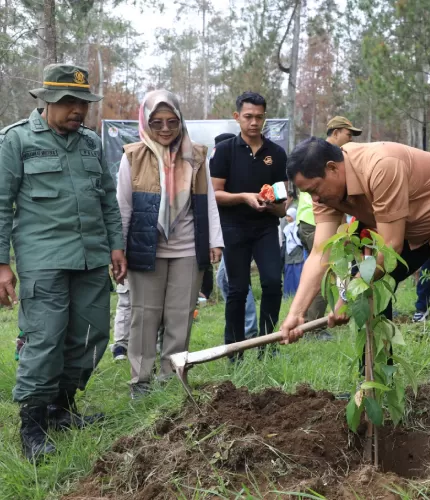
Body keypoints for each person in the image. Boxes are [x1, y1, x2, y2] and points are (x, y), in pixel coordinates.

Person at [281, 138, 430, 419]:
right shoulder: (325, 193)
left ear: (333, 168)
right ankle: (374, 383)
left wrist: (347, 296)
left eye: (314, 190)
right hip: (414, 223)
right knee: (369, 288)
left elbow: (390, 247)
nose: (314, 199)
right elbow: (319, 254)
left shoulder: (381, 165)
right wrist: (296, 314)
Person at [0, 64, 126, 460]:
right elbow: (1, 205)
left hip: (90, 258)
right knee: (45, 338)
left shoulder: (90, 143)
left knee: (91, 335)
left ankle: (62, 408)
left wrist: (116, 246)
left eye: (82, 102)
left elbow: (107, 197)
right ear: (46, 101)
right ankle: (33, 425)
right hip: (43, 259)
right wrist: (2, 264)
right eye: (69, 102)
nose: (78, 110)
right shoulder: (16, 141)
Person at [117, 89, 223, 398]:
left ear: (181, 121)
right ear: (146, 122)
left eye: (172, 122)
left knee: (180, 315)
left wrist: (214, 241)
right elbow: (123, 207)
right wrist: (119, 250)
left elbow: (209, 202)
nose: (165, 129)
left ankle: (171, 375)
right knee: (144, 315)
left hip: (188, 249)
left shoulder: (198, 155)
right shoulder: (132, 156)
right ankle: (141, 381)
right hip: (144, 248)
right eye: (157, 122)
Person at [209, 92, 287, 360]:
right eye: (248, 117)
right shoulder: (225, 151)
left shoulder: (276, 154)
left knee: (272, 283)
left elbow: (282, 200)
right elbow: (215, 194)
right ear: (237, 117)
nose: (254, 122)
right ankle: (235, 351)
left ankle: (268, 344)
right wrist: (244, 197)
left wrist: (274, 206)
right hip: (234, 228)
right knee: (238, 289)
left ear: (265, 117)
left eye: (259, 117)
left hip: (265, 227)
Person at [297, 116, 362, 322]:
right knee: (323, 267)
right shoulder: (318, 159)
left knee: (337, 267)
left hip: (321, 221)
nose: (351, 140)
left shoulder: (338, 159)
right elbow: (327, 200)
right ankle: (313, 325)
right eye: (348, 134)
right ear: (335, 133)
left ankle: (331, 313)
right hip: (314, 221)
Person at [282, 207, 305, 296]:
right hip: (289, 253)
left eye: (289, 216)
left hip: (297, 251)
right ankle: (289, 293)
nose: (287, 218)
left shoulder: (297, 227)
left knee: (298, 272)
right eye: (287, 216)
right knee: (289, 273)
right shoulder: (287, 228)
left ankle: (299, 293)